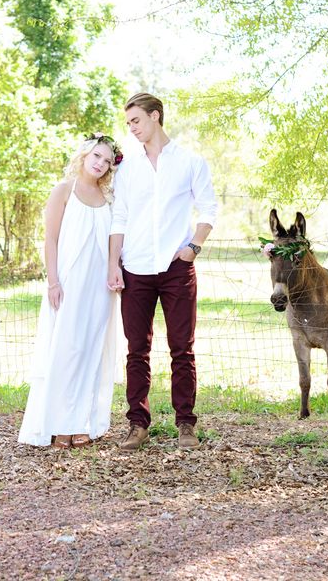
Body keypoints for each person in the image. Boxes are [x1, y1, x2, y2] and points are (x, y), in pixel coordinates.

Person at [107, 92, 218, 451]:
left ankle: (186, 424)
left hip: (176, 268)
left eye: (136, 120)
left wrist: (193, 248)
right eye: (128, 124)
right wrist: (114, 264)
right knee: (136, 350)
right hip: (135, 268)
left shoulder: (189, 162)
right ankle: (138, 425)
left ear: (156, 117)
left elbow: (209, 209)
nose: (132, 128)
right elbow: (119, 216)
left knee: (181, 349)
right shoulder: (126, 168)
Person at [18, 133, 123, 448]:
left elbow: (112, 243)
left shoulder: (110, 200)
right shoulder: (63, 191)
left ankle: (82, 423)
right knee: (65, 351)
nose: (100, 164)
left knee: (92, 351)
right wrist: (53, 281)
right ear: (84, 154)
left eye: (106, 161)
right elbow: (50, 240)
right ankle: (58, 423)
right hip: (68, 284)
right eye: (96, 156)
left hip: (99, 288)